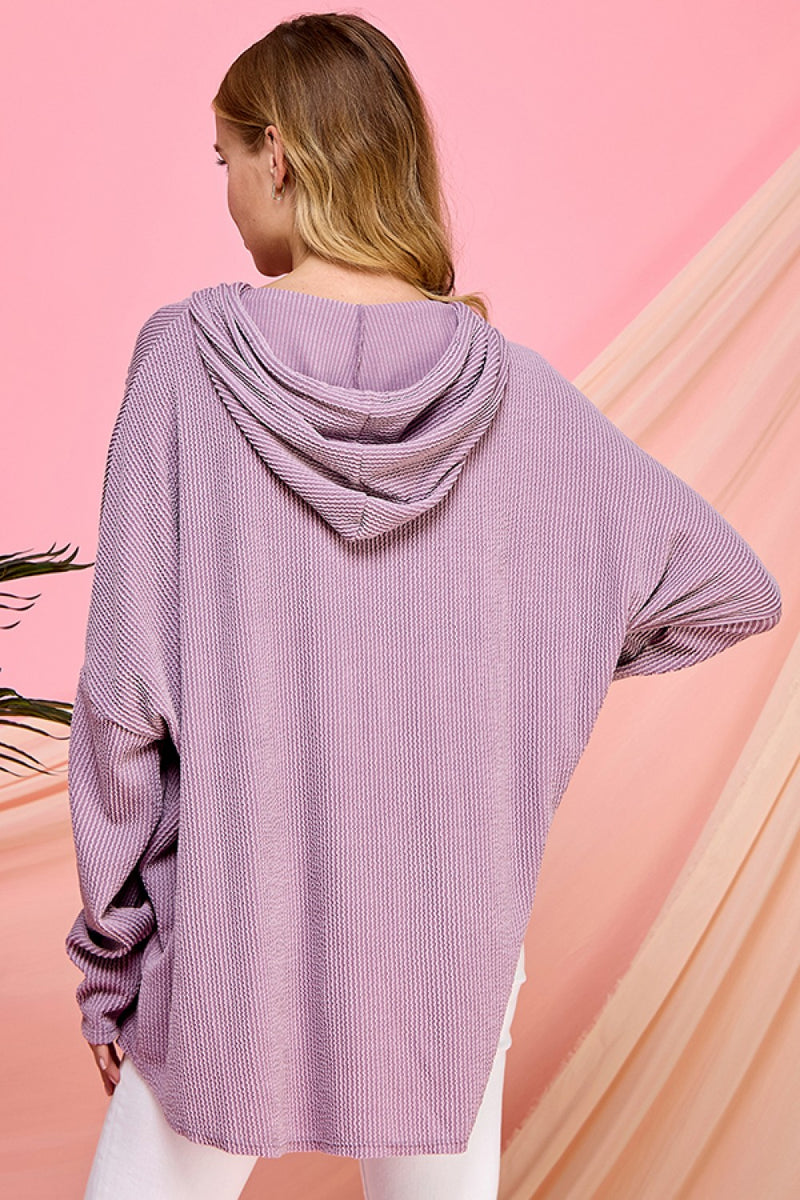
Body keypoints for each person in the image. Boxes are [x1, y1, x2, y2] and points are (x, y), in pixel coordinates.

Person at [64, 12, 782, 1200]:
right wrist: (523, 648)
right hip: (448, 939)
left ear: (278, 154)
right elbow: (733, 589)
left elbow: (123, 698)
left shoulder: (187, 363)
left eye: (225, 158)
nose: (226, 191)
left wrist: (110, 960)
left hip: (230, 936)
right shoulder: (517, 398)